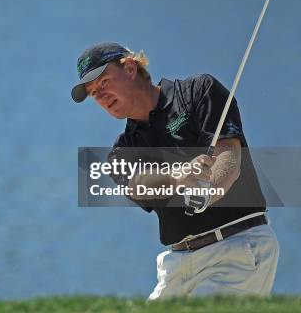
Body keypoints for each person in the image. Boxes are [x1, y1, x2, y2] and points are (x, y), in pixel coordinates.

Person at [71, 42, 279, 299]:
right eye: (93, 93)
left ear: (130, 68)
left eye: (103, 82)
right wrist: (178, 176)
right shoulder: (121, 151)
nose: (100, 97)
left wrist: (209, 191)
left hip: (236, 248)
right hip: (177, 264)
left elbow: (230, 159)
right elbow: (137, 185)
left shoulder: (198, 91)